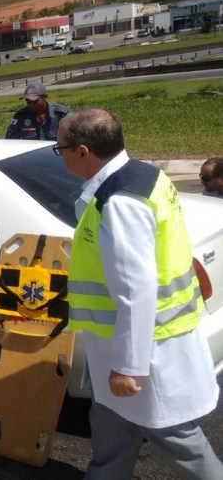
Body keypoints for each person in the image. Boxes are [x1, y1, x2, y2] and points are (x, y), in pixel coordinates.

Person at [56, 108, 223, 479]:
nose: (59, 155)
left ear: (82, 152)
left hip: (143, 352)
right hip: (117, 347)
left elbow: (136, 288)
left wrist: (128, 366)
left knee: (178, 440)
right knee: (111, 428)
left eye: (60, 149)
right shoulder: (143, 175)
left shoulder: (121, 202)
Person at [5, 82, 69, 141]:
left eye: (35, 101)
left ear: (44, 97)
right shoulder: (20, 116)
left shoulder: (61, 114)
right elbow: (10, 142)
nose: (31, 105)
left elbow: (72, 139)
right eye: (28, 102)